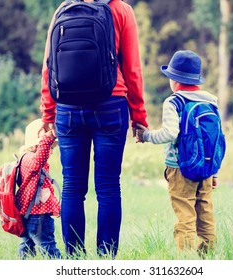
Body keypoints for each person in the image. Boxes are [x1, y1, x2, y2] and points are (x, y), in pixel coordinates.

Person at [39, 0, 148, 258]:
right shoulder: (121, 10)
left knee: (72, 187)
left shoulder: (63, 9)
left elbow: (48, 66)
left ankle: (75, 260)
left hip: (67, 107)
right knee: (108, 186)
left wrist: (48, 111)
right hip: (111, 103)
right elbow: (132, 69)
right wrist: (139, 116)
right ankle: (106, 260)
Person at [136, 50, 219, 256]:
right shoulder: (211, 101)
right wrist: (214, 171)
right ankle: (207, 256)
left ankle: (187, 261)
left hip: (180, 169)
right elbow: (214, 139)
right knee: (206, 213)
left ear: (174, 80)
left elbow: (170, 133)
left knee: (185, 215)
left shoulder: (174, 102)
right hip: (207, 167)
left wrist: (146, 136)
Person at [15, 119, 61, 259]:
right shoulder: (30, 160)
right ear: (38, 145)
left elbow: (44, 192)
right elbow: (39, 159)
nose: (51, 152)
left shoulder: (29, 162)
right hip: (38, 217)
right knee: (49, 248)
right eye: (51, 147)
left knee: (27, 245)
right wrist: (49, 137)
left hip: (29, 215)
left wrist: (55, 208)